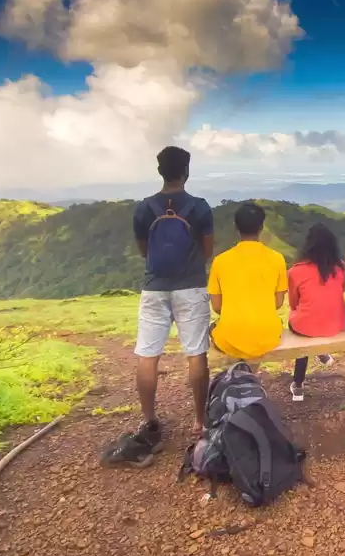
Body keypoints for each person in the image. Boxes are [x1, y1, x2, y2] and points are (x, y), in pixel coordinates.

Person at [101, 146, 214, 468]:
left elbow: (143, 250)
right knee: (196, 353)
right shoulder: (200, 208)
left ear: (160, 170)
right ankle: (200, 421)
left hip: (154, 288)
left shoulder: (144, 209)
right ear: (187, 170)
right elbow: (207, 250)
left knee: (147, 355)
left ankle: (150, 421)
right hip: (190, 285)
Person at [208, 202, 288, 364]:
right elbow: (278, 303)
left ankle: (237, 379)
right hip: (267, 335)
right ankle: (250, 378)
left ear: (236, 227)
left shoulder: (220, 261)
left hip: (230, 336)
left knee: (213, 329)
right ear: (261, 227)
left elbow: (217, 307)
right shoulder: (277, 259)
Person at [286, 223, 345, 401]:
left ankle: (298, 385)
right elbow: (337, 294)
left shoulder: (296, 271)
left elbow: (293, 304)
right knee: (311, 319)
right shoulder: (340, 267)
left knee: (301, 322)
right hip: (336, 323)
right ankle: (321, 352)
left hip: (307, 326)